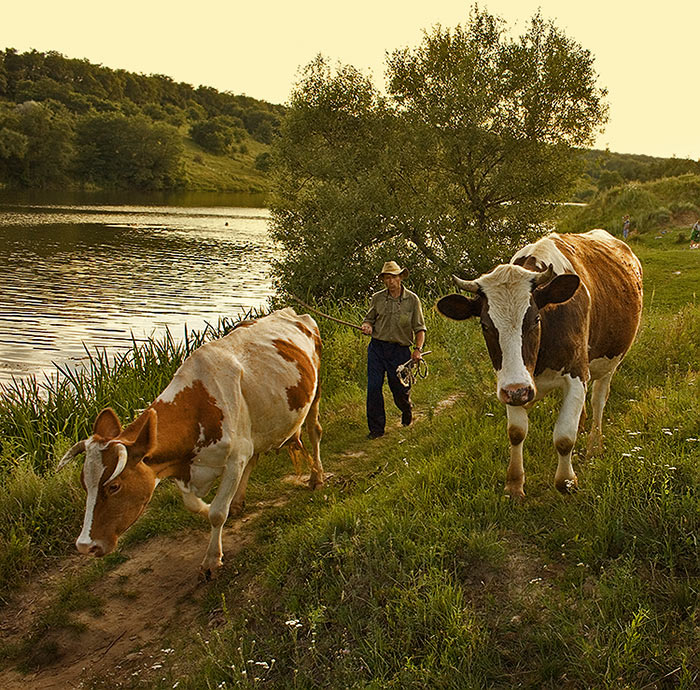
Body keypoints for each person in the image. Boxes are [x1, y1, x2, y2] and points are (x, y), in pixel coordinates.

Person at [361, 261, 426, 439]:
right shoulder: (377, 298)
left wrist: (418, 350)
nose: (391, 281)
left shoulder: (412, 300)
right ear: (384, 280)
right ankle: (376, 429)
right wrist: (367, 326)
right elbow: (369, 319)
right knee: (373, 387)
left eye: (394, 277)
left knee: (399, 390)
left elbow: (419, 328)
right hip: (377, 348)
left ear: (400, 278)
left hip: (400, 351)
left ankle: (406, 410)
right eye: (387, 278)